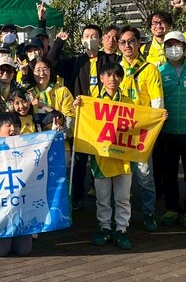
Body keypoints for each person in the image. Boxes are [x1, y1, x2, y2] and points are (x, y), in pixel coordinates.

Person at [51, 24, 121, 208]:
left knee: (106, 155)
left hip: (104, 116)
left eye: (94, 36)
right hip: (81, 117)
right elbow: (52, 62)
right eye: (86, 36)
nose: (90, 39)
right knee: (80, 159)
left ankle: (108, 196)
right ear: (81, 40)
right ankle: (77, 198)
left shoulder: (110, 60)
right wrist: (59, 42)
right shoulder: (75, 61)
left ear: (100, 39)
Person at [78, 62, 134, 250]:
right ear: (101, 78)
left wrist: (158, 117)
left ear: (121, 78)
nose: (112, 79)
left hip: (124, 158)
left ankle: (121, 229)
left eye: (116, 75)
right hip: (101, 159)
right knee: (102, 197)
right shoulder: (92, 102)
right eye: (108, 75)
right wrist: (78, 107)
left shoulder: (128, 102)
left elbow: (139, 124)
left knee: (123, 197)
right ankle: (104, 227)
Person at [155, 31, 186, 230]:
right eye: (169, 45)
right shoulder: (158, 71)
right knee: (169, 174)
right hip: (167, 132)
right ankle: (172, 208)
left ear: (184, 47)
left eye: (177, 44)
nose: (173, 48)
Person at [117, 26, 162, 232]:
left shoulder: (149, 69)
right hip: (120, 132)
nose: (127, 45)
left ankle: (149, 213)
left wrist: (153, 127)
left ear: (139, 43)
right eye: (123, 42)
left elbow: (157, 101)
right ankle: (121, 218)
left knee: (145, 175)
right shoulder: (115, 69)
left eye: (131, 41)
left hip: (142, 132)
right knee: (121, 176)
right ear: (118, 46)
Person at [0, 112, 34, 257]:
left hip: (20, 207)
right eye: (9, 125)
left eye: (16, 125)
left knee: (24, 250)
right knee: (1, 251)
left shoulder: (28, 147)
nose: (13, 129)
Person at [142, 0, 186, 67]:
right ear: (150, 27)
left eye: (162, 22)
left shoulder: (182, 39)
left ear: (169, 25)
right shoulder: (144, 49)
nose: (158, 26)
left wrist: (184, 6)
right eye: (154, 23)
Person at [28, 57, 74, 132]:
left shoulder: (62, 91)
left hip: (59, 137)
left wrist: (62, 135)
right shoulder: (29, 93)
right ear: (32, 73)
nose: (42, 73)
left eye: (44, 69)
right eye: (38, 70)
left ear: (49, 70)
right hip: (36, 140)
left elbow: (70, 117)